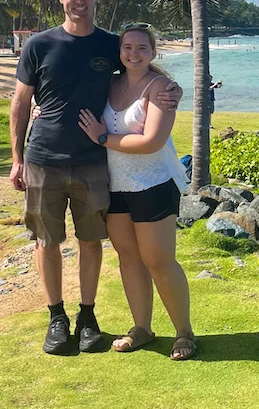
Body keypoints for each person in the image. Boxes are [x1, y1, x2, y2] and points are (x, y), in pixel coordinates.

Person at [9, 0, 181, 356]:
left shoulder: (108, 44)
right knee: (46, 241)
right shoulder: (38, 45)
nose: (80, 0)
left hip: (93, 162)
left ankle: (88, 317)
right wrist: (16, 159)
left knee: (91, 242)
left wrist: (172, 87)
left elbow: (141, 66)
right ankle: (57, 317)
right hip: (43, 158)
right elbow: (20, 102)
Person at [77, 22, 196, 359]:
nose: (134, 54)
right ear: (119, 53)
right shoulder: (109, 84)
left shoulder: (160, 88)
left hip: (154, 184)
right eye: (127, 47)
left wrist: (102, 138)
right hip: (115, 186)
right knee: (129, 258)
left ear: (153, 53)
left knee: (158, 260)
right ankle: (141, 328)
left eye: (142, 48)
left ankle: (184, 333)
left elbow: (151, 141)